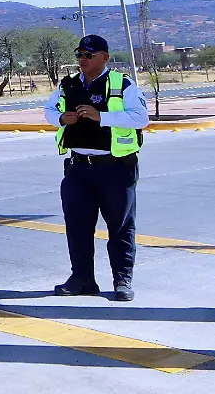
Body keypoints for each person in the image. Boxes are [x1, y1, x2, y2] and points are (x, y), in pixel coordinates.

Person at [44, 34, 150, 302]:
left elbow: (141, 118)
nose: (82, 60)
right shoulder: (68, 85)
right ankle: (82, 279)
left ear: (104, 57)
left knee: (120, 226)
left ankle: (122, 280)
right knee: (77, 227)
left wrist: (101, 116)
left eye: (88, 55)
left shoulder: (122, 85)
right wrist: (60, 118)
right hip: (78, 168)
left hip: (115, 168)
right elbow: (48, 109)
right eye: (79, 54)